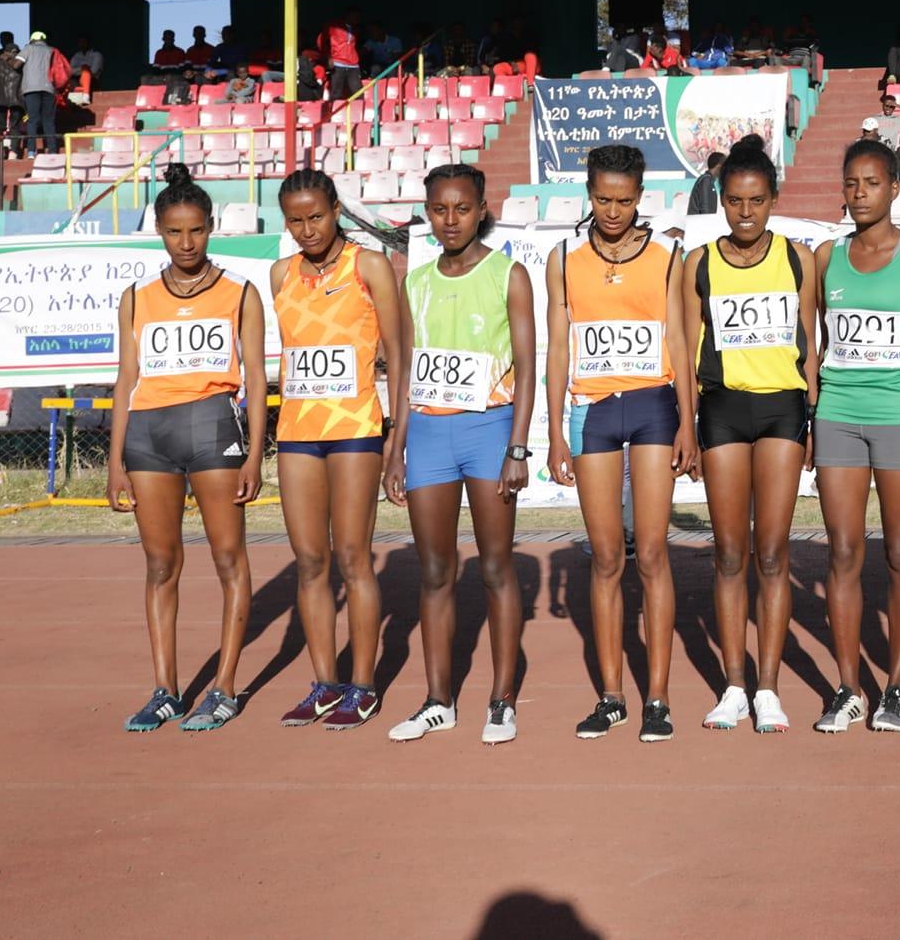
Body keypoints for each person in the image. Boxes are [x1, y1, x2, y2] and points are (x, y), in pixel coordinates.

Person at [105, 163, 268, 732]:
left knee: (228, 559)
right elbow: (127, 380)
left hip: (213, 432)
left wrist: (254, 455)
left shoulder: (240, 292)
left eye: (196, 230)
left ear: (211, 226)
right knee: (160, 564)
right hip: (149, 438)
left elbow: (255, 375)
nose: (186, 242)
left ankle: (224, 686)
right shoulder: (136, 297)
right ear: (159, 229)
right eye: (175, 232)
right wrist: (115, 463)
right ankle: (165, 689)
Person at [546, 146, 697, 743]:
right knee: (607, 558)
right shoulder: (563, 259)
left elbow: (680, 341)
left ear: (641, 197)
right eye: (604, 199)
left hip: (655, 406)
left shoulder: (667, 257)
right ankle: (611, 697)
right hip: (593, 414)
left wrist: (689, 421)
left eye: (625, 200)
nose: (614, 211)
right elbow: (559, 347)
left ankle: (657, 697)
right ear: (589, 194)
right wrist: (555, 429)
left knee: (654, 554)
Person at [386, 163, 537, 745]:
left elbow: (526, 367)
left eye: (462, 209)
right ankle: (437, 700)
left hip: (488, 430)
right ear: (428, 214)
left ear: (481, 211)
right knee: (434, 571)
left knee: (497, 566)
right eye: (439, 210)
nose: (450, 220)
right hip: (427, 434)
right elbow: (404, 370)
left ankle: (501, 700)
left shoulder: (509, 275)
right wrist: (395, 445)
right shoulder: (415, 281)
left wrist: (517, 447)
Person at [810, 140, 900, 734]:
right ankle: (848, 688)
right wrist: (814, 405)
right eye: (850, 183)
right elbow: (812, 341)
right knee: (842, 553)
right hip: (838, 413)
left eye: (870, 182)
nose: (859, 193)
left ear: (895, 188)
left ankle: (894, 686)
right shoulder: (825, 257)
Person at [680, 136, 816, 733]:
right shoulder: (699, 263)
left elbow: (811, 343)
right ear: (721, 201)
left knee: (772, 553)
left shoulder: (797, 258)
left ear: (773, 199)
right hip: (724, 412)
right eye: (734, 201)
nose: (744, 212)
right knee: (730, 553)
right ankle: (733, 685)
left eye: (756, 201)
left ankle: (769, 688)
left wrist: (810, 412)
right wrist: (688, 425)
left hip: (783, 411)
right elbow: (685, 352)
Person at [271, 171, 405, 731]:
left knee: (353, 557)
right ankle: (324, 683)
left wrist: (396, 436)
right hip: (298, 431)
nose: (308, 229)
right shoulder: (280, 273)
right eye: (296, 220)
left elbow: (399, 353)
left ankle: (364, 685)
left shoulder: (368, 265)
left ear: (336, 213)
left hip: (355, 427)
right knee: (309, 561)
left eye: (317, 216)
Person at [19, 30, 60, 156]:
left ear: (32, 40)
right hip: (49, 88)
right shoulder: (52, 50)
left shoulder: (28, 48)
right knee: (48, 120)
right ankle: (52, 150)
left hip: (31, 89)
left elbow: (16, 64)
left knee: (33, 120)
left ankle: (31, 151)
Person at [687, 151, 724, 216]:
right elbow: (705, 206)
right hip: (699, 222)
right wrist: (707, 223)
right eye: (724, 166)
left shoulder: (709, 180)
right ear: (719, 166)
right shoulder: (705, 180)